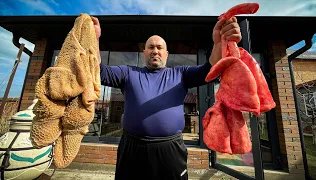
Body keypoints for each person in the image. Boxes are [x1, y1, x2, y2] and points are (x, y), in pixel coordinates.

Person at [90, 16, 241, 180]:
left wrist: (219, 43)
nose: (155, 50)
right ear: (144, 52)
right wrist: (93, 38)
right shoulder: (128, 73)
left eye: (159, 47)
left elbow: (210, 69)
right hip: (132, 148)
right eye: (151, 47)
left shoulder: (180, 74)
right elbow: (99, 72)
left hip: (170, 149)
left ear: (166, 54)